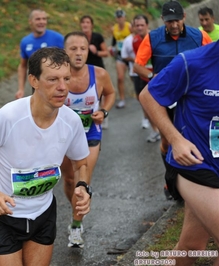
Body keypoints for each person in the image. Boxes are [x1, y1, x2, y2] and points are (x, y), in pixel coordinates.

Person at [0, 47, 91, 265]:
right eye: (52, 79)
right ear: (34, 80)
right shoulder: (8, 117)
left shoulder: (71, 121)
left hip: (43, 212)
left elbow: (81, 163)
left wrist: (82, 186)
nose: (62, 87)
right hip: (5, 216)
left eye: (66, 79)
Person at [139, 40, 219, 266]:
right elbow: (148, 95)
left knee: (191, 247)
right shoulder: (191, 62)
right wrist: (176, 140)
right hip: (196, 164)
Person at [134, 0, 211, 200]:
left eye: (177, 20)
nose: (174, 25)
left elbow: (213, 59)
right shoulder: (153, 37)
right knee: (168, 141)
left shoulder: (199, 36)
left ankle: (193, 184)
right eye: (169, 22)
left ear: (184, 17)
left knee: (194, 138)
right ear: (163, 20)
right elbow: (138, 65)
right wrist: (154, 78)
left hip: (191, 95)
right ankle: (170, 180)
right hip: (166, 96)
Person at [62, 31, 115, 248]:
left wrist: (103, 111)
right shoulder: (58, 76)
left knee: (82, 181)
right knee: (68, 181)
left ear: (88, 50)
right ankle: (77, 206)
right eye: (73, 48)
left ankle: (75, 226)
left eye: (82, 48)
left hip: (90, 134)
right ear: (64, 51)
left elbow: (110, 94)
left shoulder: (99, 74)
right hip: (64, 137)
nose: (78, 53)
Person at [121, 14, 161, 141]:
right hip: (141, 76)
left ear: (147, 25)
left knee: (160, 105)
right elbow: (138, 61)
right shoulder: (135, 41)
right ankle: (155, 130)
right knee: (144, 105)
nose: (139, 28)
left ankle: (165, 131)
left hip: (157, 76)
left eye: (142, 25)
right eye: (136, 25)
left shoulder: (157, 37)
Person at [15, 9, 64, 99]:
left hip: (56, 87)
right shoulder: (25, 42)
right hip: (36, 87)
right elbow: (23, 66)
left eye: (44, 19)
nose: (41, 22)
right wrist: (21, 89)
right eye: (38, 19)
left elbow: (69, 62)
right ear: (30, 22)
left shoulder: (58, 38)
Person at [108, 9, 132, 109]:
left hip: (131, 55)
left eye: (121, 17)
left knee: (135, 78)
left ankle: (143, 95)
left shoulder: (129, 27)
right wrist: (111, 48)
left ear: (124, 17)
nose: (120, 19)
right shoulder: (115, 29)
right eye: (118, 17)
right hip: (120, 55)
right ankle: (122, 100)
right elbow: (114, 43)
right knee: (120, 77)